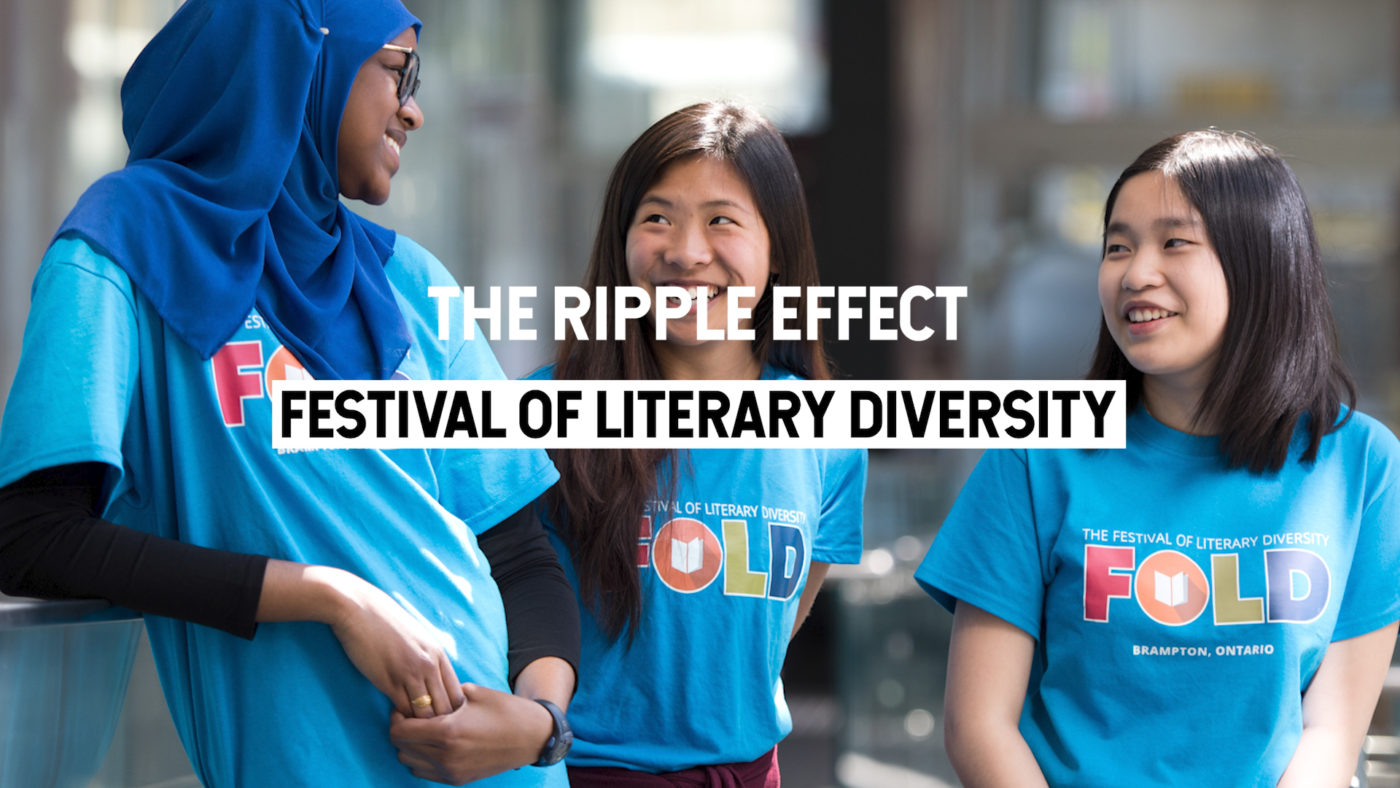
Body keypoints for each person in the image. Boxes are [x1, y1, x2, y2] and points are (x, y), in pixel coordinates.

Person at [0, 1, 577, 785]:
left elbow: (519, 551)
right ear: (310, 59)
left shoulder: (411, 280)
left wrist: (539, 723)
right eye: (396, 70)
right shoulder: (124, 244)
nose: (414, 108)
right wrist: (331, 596)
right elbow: (32, 537)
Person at [916, 130, 1400, 787]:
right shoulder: (1034, 457)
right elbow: (978, 725)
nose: (1136, 272)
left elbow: (1333, 729)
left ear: (1261, 260)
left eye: (1174, 242)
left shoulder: (1363, 464)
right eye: (1117, 246)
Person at [520, 101, 868, 786]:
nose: (685, 252)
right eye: (657, 218)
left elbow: (770, 625)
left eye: (721, 221)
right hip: (576, 772)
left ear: (778, 247)